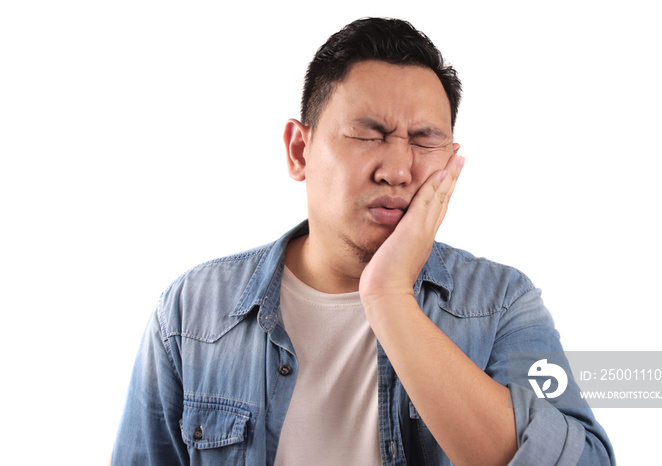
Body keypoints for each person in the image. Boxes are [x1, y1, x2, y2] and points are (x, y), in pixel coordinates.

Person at [112, 17, 615, 465]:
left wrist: (390, 297)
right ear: (299, 150)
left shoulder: (501, 303)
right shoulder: (193, 312)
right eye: (369, 135)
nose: (397, 170)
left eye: (424, 140)